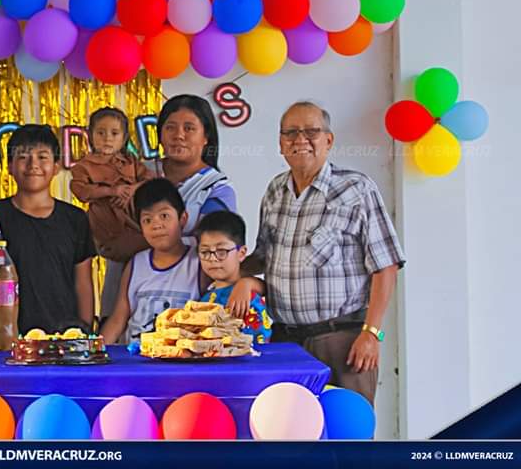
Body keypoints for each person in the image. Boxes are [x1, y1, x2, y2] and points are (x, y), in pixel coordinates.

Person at [230, 101, 404, 403]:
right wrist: (238, 273)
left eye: (311, 132)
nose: (300, 140)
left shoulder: (355, 189)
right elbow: (264, 259)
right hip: (285, 343)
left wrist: (371, 333)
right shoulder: (274, 191)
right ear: (280, 143)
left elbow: (385, 265)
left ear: (329, 140)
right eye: (291, 133)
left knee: (347, 438)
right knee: (289, 435)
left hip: (343, 341)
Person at [0, 124, 96, 334]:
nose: (33, 165)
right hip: (8, 338)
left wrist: (85, 332)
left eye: (42, 157)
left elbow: (83, 282)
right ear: (9, 166)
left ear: (56, 166)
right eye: (23, 157)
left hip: (65, 338)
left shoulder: (75, 218)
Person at [69, 107, 149, 322]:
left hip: (134, 223)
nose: (107, 139)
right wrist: (111, 191)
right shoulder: (85, 166)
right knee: (116, 268)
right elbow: (80, 191)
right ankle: (107, 320)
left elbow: (150, 181)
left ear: (123, 138)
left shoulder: (131, 162)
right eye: (100, 132)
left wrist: (132, 190)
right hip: (107, 226)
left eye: (114, 133)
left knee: (139, 267)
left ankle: (136, 317)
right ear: (90, 135)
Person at [100, 178, 201, 344]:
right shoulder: (136, 263)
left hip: (181, 362)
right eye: (147, 220)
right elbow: (118, 320)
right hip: (136, 362)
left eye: (164, 216)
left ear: (183, 219)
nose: (156, 225)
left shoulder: (197, 262)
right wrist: (98, 353)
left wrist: (247, 284)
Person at [149, 94, 238, 241]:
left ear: (206, 136)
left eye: (189, 128)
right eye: (170, 128)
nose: (179, 135)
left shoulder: (217, 188)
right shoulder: (138, 172)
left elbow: (212, 243)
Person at [196, 211, 272, 344]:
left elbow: (258, 348)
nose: (212, 259)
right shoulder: (206, 297)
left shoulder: (248, 299)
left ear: (241, 253)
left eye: (221, 251)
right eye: (205, 252)